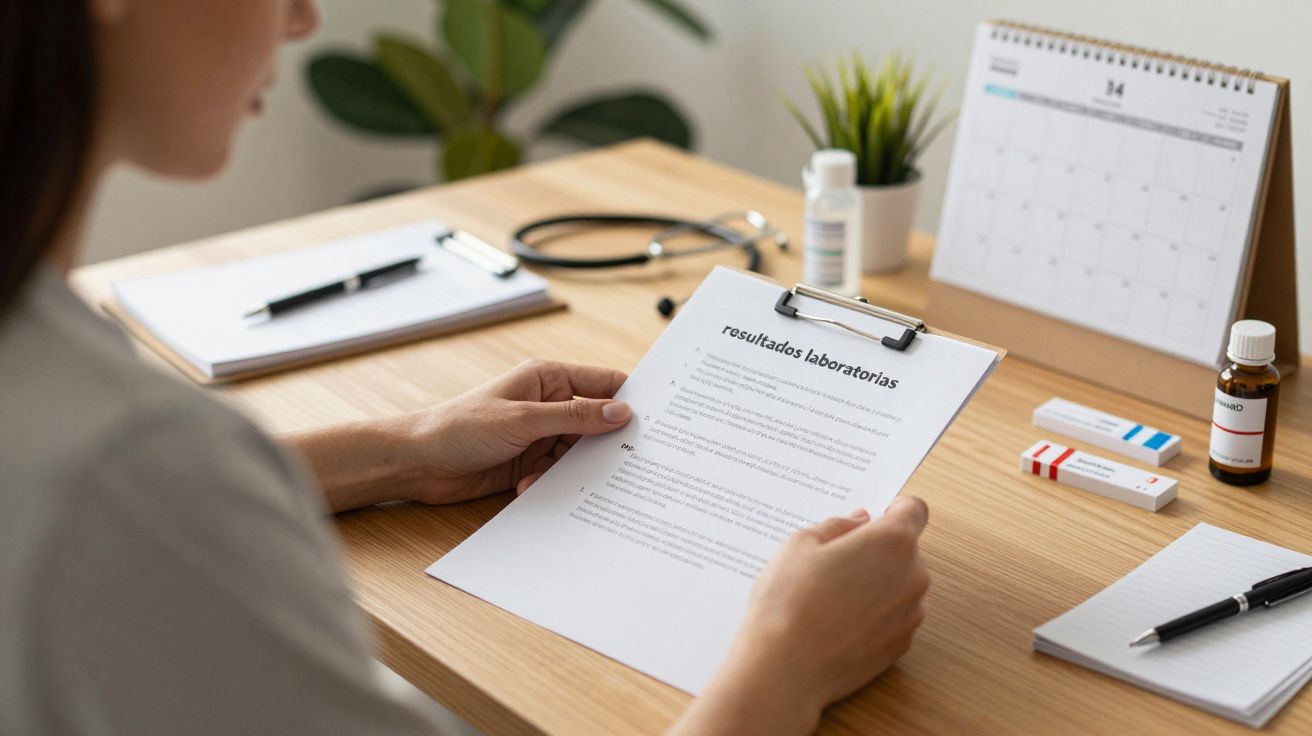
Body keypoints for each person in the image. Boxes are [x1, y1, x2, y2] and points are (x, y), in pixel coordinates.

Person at [0, 1, 931, 734]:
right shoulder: (123, 460)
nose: (303, 19)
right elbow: (132, 499)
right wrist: (786, 665)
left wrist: (405, 450)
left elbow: (141, 510)